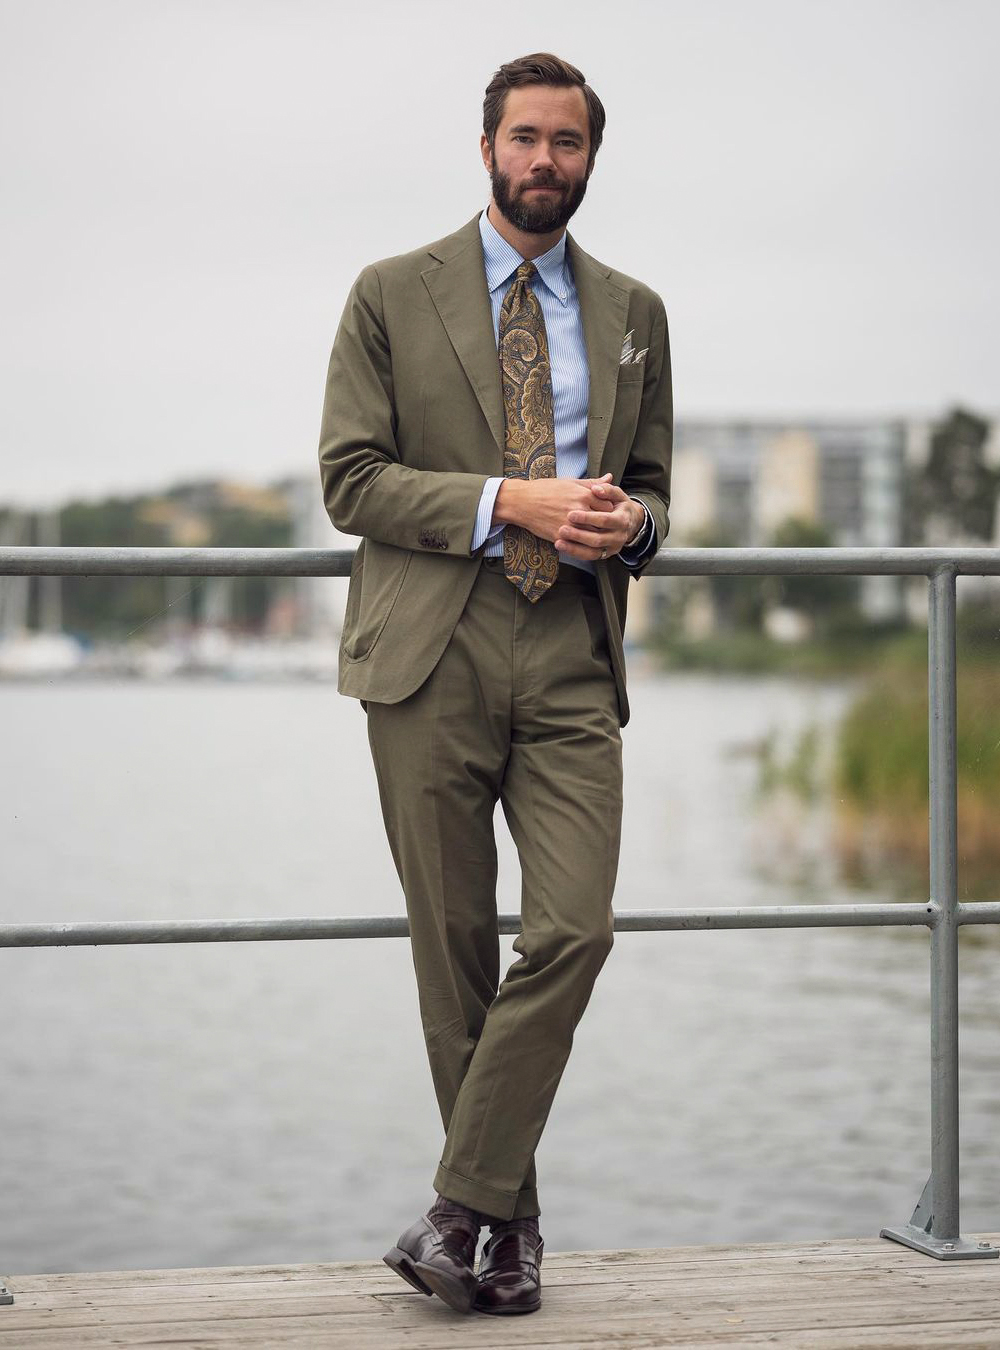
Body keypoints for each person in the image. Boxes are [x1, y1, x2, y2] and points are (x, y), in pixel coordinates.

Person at [317, 51, 672, 1316]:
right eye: (523, 139)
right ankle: (508, 1239)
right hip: (430, 649)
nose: (543, 162)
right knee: (455, 949)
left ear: (589, 157)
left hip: (572, 649)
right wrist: (503, 499)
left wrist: (627, 526)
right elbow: (350, 479)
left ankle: (459, 1206)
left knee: (573, 930)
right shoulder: (388, 294)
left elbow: (658, 497)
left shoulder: (634, 312)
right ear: (485, 150)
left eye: (565, 143)